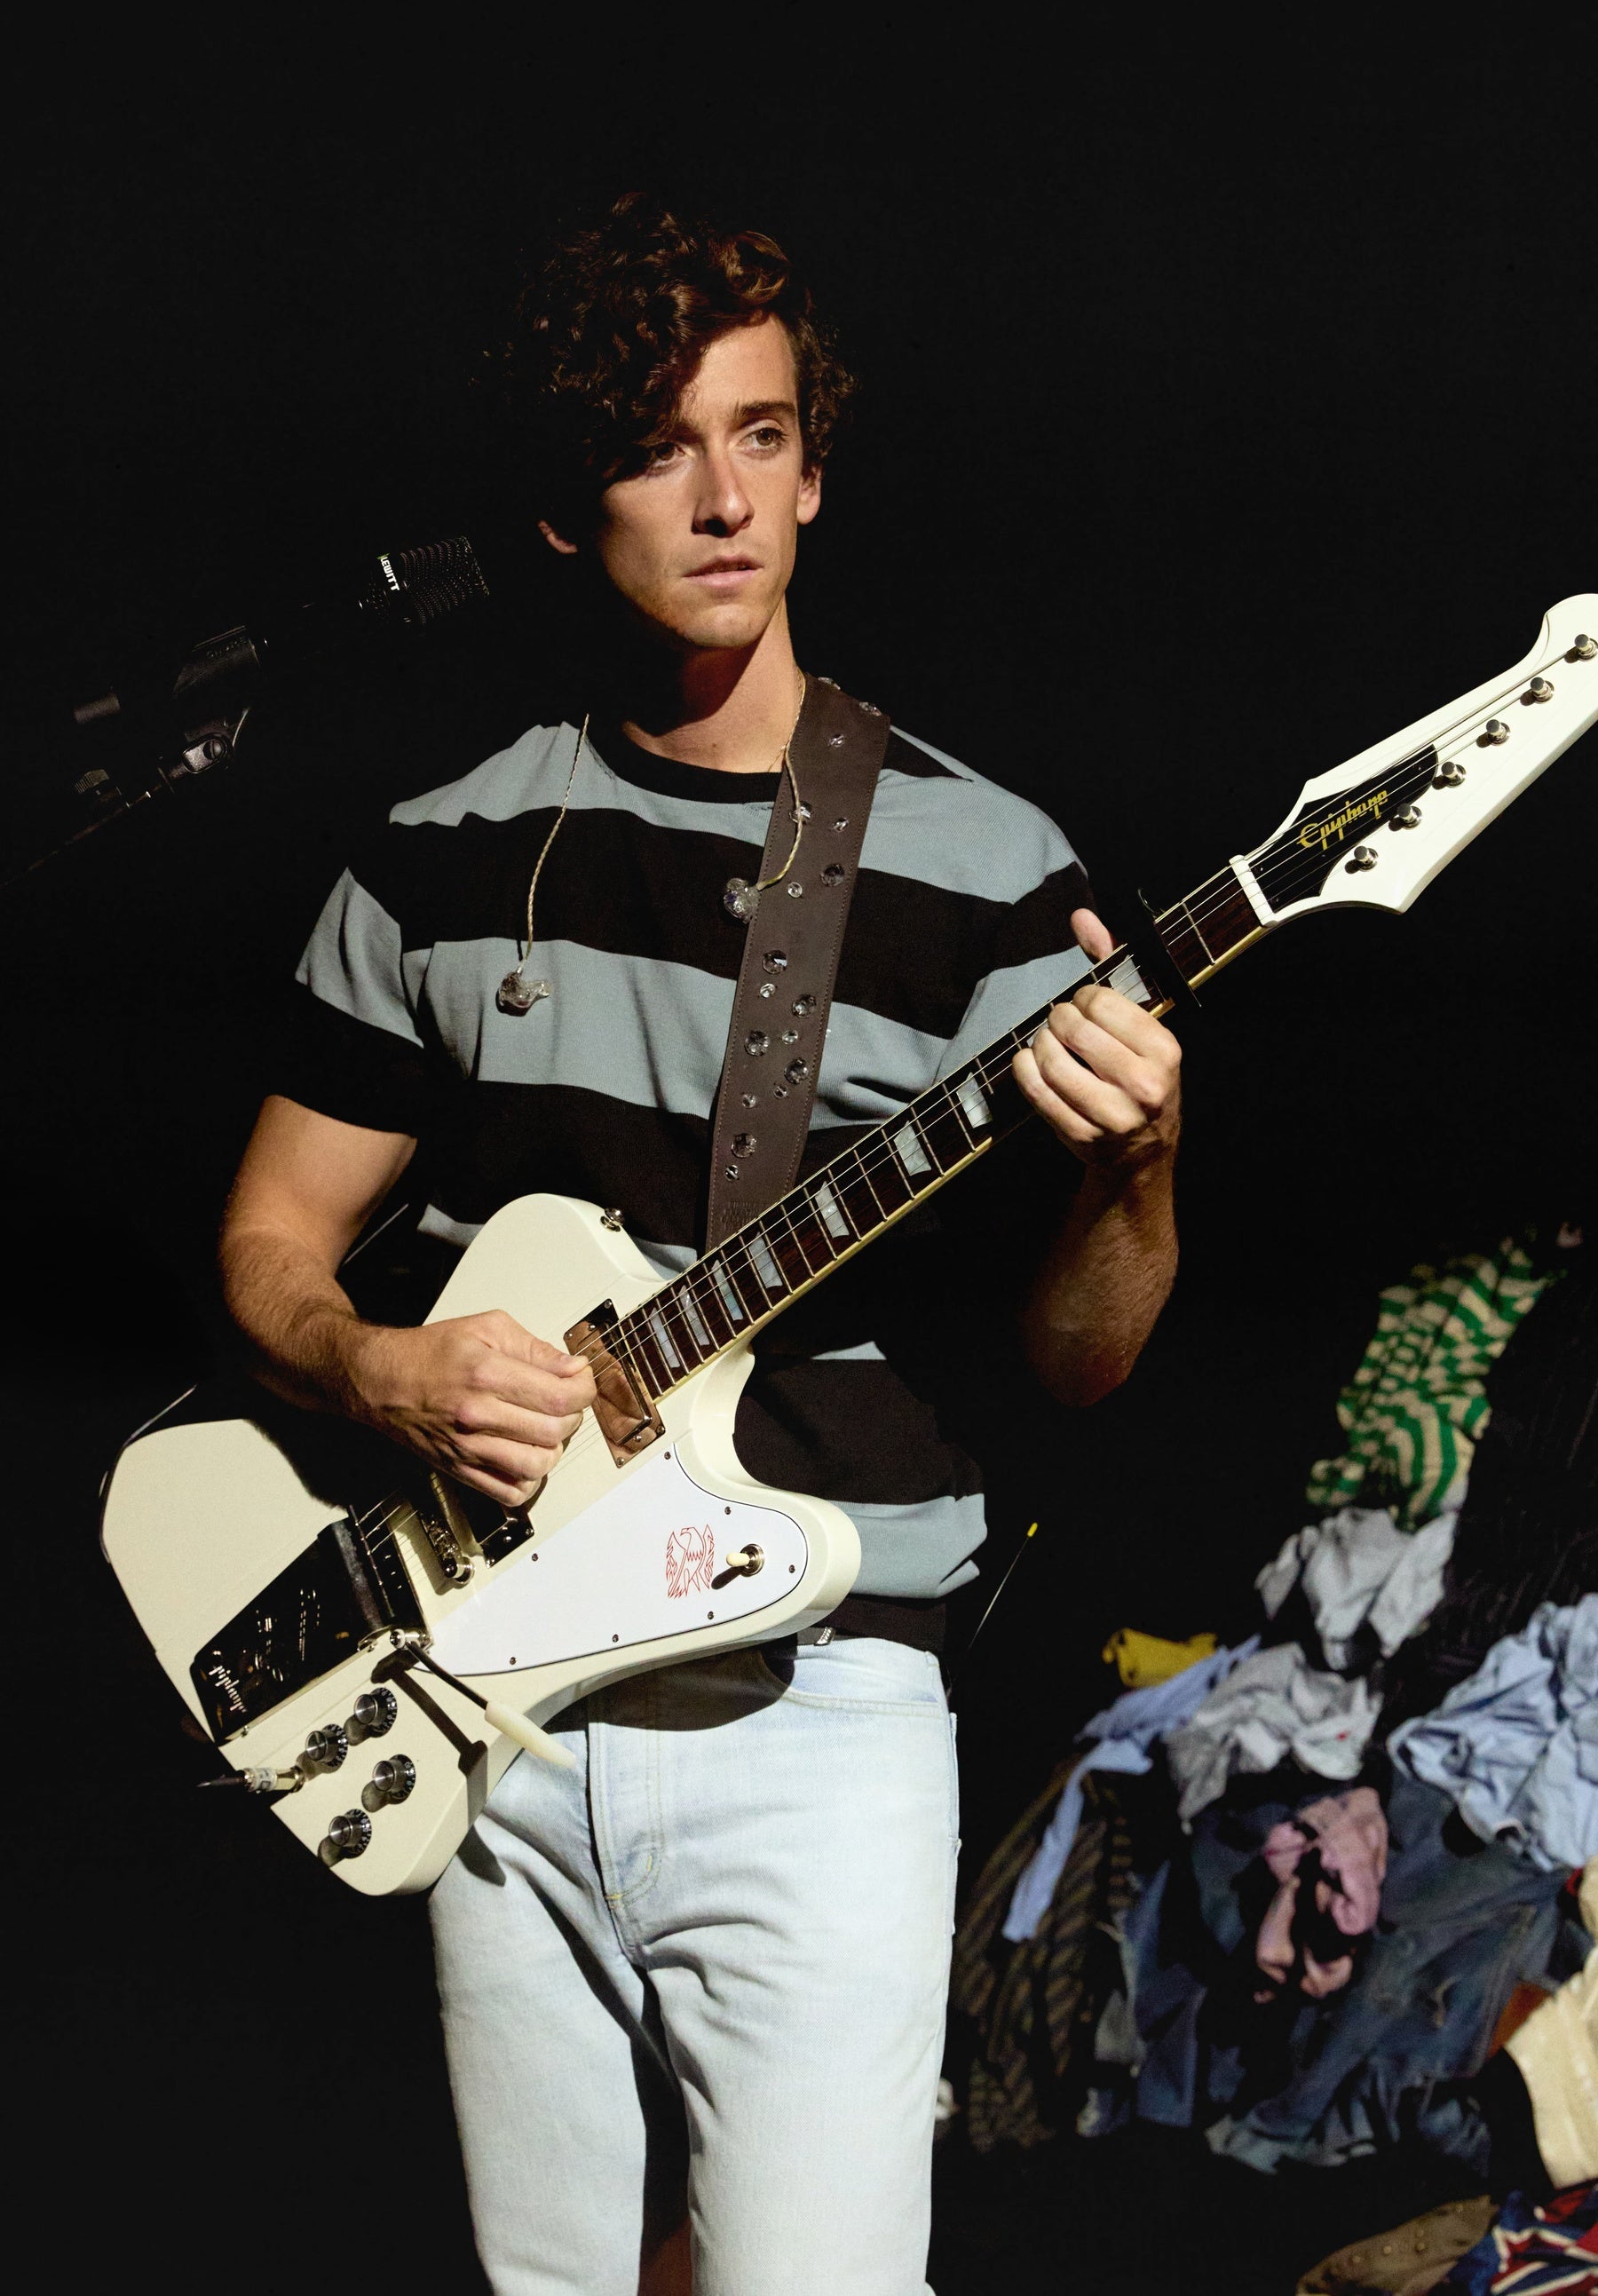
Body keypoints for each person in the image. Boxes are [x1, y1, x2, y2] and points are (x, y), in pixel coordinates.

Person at [218, 195, 1183, 2296]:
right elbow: (274, 1239)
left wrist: (1136, 1172)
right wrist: (380, 1368)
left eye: (763, 437)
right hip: (492, 1699)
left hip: (821, 1710)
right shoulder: (445, 848)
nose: (725, 501)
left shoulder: (985, 863)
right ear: (569, 511)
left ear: (818, 472)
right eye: (660, 451)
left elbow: (1089, 1361)